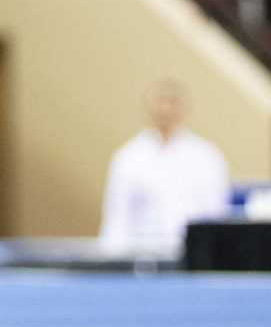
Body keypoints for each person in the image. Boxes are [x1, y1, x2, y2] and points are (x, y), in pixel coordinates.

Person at [98, 80, 232, 261]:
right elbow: (117, 217)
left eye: (172, 102)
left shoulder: (207, 157)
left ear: (184, 109)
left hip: (191, 257)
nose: (165, 110)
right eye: (160, 102)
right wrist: (111, 261)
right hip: (140, 258)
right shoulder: (128, 157)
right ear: (149, 108)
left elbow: (216, 214)